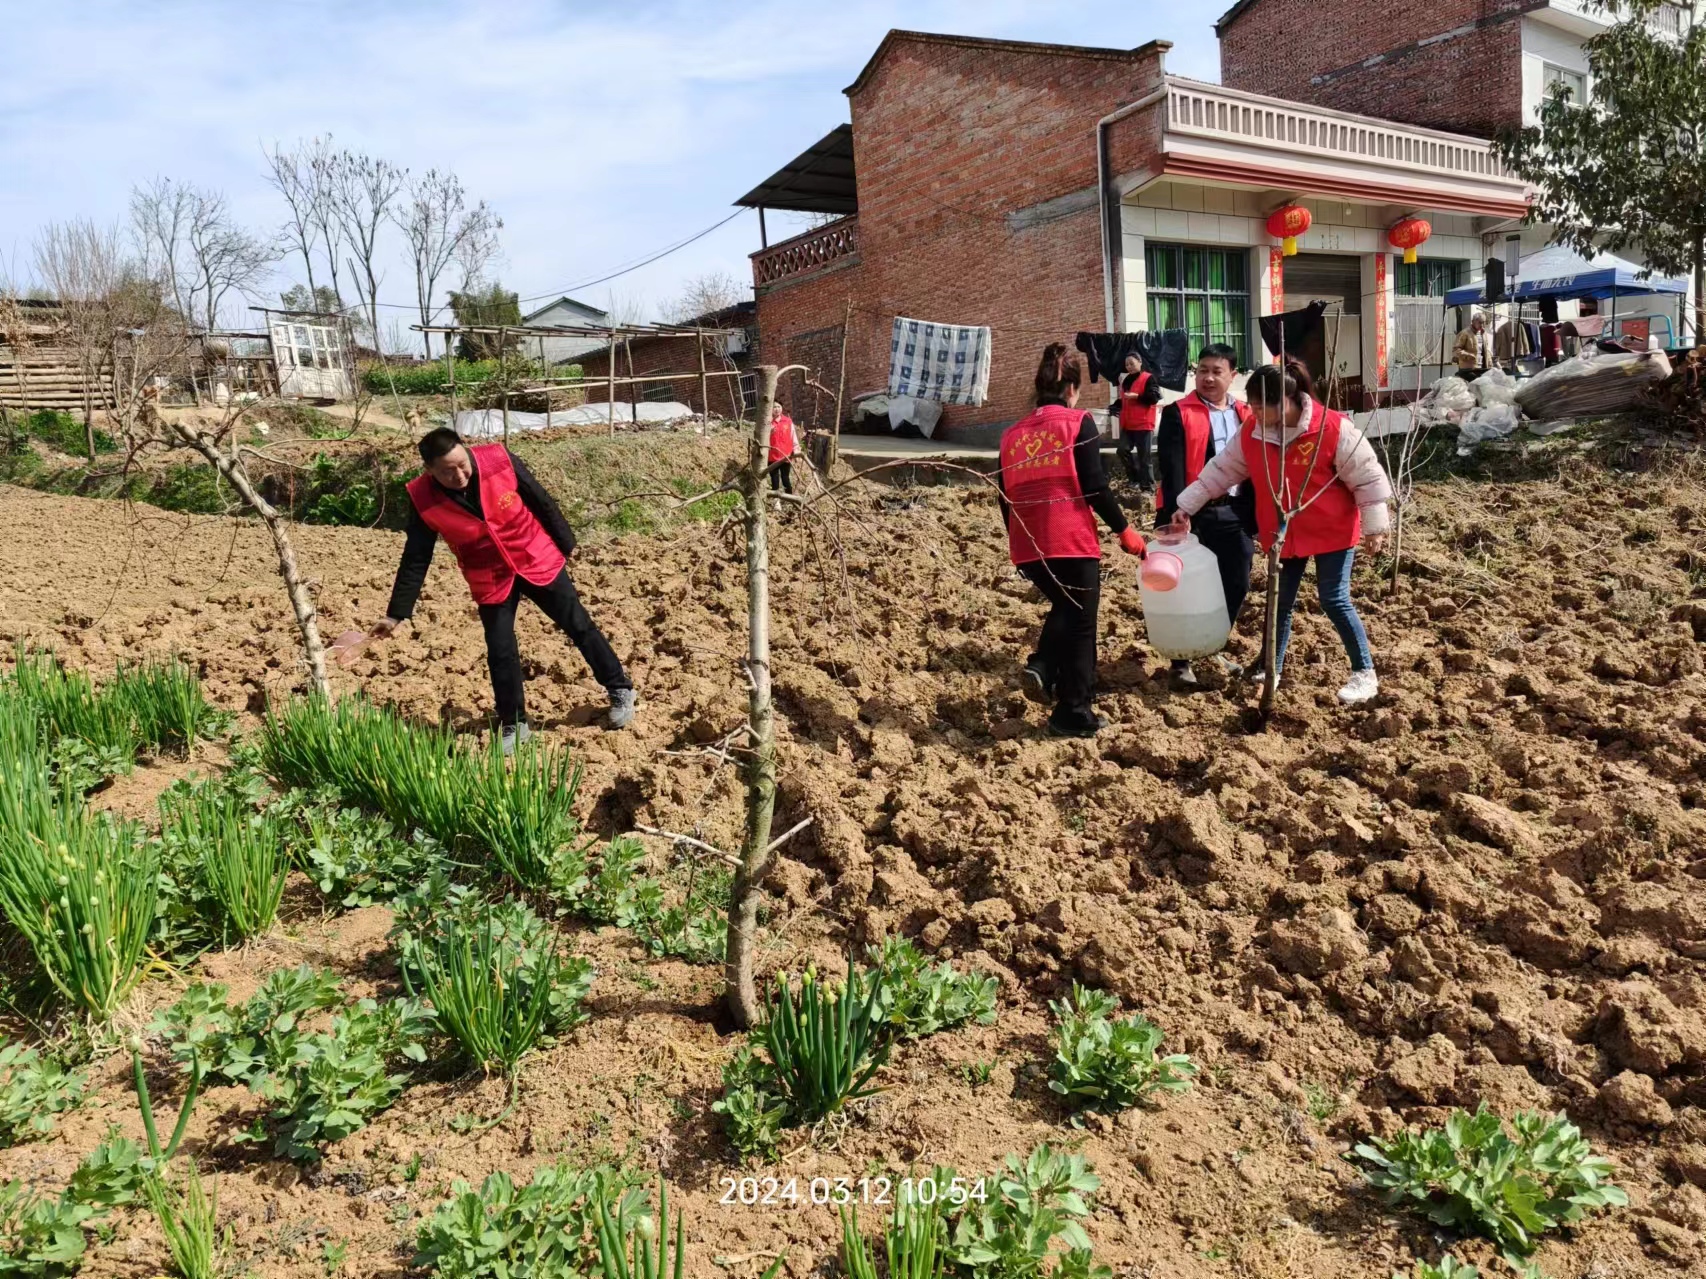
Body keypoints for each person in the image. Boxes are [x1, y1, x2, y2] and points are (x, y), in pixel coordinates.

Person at [373, 428, 636, 749]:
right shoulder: (422, 497)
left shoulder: (498, 459)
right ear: (429, 471)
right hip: (488, 575)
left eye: (461, 464)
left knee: (578, 624)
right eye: (446, 471)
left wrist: (568, 545)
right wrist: (396, 613)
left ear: (466, 450)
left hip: (534, 554)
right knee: (500, 650)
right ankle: (514, 723)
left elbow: (541, 500)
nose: (458, 474)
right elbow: (416, 554)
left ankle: (619, 687)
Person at [1166, 360, 1392, 705]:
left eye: (1261, 406)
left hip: (1332, 528)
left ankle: (1364, 672)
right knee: (1279, 602)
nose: (1254, 412)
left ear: (1288, 400)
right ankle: (1272, 665)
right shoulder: (1253, 433)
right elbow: (1221, 471)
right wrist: (1186, 505)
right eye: (1252, 405)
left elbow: (1367, 476)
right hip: (1283, 532)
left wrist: (1375, 526)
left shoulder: (1332, 428)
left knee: (1333, 599)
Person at [997, 343, 1147, 737]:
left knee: (1066, 608)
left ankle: (1045, 668)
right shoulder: (1077, 422)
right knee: (1081, 622)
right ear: (1072, 390)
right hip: (1069, 539)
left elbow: (1003, 494)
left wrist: (1020, 540)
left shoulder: (1011, 435)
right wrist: (1124, 529)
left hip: (1028, 545)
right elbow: (1095, 486)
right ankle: (1073, 709)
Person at [1155, 342, 1258, 687]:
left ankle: (1212, 643)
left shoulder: (1248, 414)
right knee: (1187, 587)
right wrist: (1175, 512)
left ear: (1234, 376)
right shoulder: (1177, 412)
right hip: (1193, 516)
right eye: (1202, 371)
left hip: (1237, 513)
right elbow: (1170, 470)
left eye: (1217, 371)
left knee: (1237, 581)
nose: (1208, 378)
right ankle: (1181, 662)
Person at [1115, 354, 1161, 489]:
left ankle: (1148, 487)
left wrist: (1137, 397)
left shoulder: (1148, 378)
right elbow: (1124, 400)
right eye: (1127, 364)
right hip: (1128, 424)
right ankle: (1134, 479)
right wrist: (1115, 405)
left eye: (1132, 363)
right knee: (1122, 450)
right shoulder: (1126, 380)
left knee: (1144, 458)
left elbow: (1154, 397)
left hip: (1144, 424)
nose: (1129, 367)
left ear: (1140, 362)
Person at [768, 402, 798, 494]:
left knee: (786, 478)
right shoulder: (768, 422)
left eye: (778, 407)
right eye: (774, 407)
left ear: (781, 408)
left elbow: (793, 436)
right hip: (772, 456)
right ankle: (776, 503)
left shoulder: (788, 421)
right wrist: (769, 432)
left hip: (786, 455)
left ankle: (790, 498)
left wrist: (796, 449)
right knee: (774, 479)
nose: (776, 409)